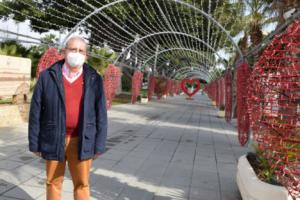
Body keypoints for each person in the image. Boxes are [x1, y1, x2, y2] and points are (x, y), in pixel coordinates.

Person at [28, 36, 108, 200]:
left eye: (81, 51)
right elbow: (35, 112)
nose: (76, 54)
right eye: (73, 49)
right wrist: (35, 143)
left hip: (82, 140)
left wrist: (99, 145)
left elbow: (101, 114)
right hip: (53, 138)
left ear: (86, 56)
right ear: (64, 51)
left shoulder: (94, 79)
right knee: (53, 182)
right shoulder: (47, 76)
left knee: (82, 184)